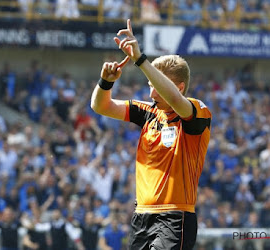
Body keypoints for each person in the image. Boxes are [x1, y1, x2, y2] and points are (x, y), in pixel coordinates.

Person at [91, 19, 212, 250]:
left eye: (156, 84)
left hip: (175, 217)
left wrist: (140, 59)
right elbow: (101, 107)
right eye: (149, 83)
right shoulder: (147, 112)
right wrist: (105, 82)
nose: (151, 91)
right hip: (141, 217)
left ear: (178, 87)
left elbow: (176, 102)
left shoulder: (197, 112)